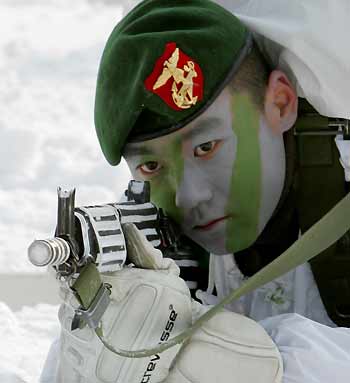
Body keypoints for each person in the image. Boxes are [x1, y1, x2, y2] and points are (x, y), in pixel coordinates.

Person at [40, 1, 350, 382]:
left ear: (280, 104)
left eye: (206, 148)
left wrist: (270, 365)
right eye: (152, 166)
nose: (188, 196)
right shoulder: (150, 237)